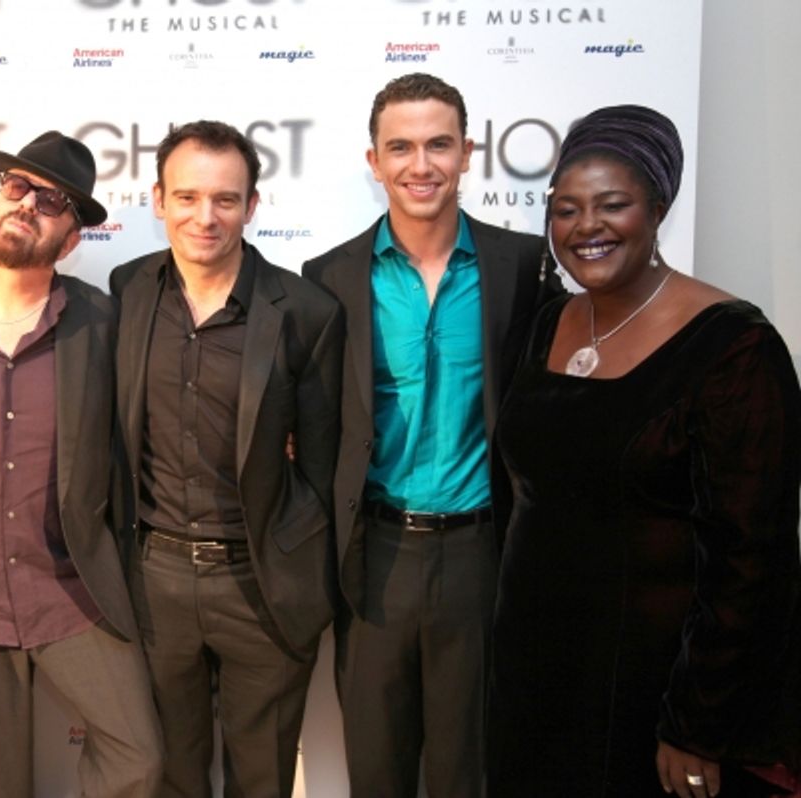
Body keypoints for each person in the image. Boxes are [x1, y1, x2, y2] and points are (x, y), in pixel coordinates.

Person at [489, 104, 801, 798]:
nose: (586, 226)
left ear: (657, 208)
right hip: (534, 678)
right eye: (565, 209)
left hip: (653, 695)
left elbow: (755, 558)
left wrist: (696, 725)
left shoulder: (734, 347)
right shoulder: (546, 321)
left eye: (612, 204)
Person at [301, 72, 563, 798]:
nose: (422, 164)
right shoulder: (327, 278)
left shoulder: (522, 266)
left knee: (465, 772)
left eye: (439, 144)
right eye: (402, 147)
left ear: (467, 151)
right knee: (377, 772)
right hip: (374, 557)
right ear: (374, 160)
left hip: (481, 554)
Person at [0, 131, 163, 798]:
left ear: (72, 240)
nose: (27, 205)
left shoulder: (105, 325)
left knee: (137, 757)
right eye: (15, 187)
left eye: (52, 202)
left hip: (74, 591)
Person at [110, 120, 343, 797]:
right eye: (186, 197)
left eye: (225, 199)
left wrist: (306, 575)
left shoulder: (305, 310)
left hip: (262, 585)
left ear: (253, 205)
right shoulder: (126, 293)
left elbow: (325, 468)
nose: (204, 217)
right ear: (158, 201)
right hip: (152, 582)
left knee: (262, 780)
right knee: (170, 777)